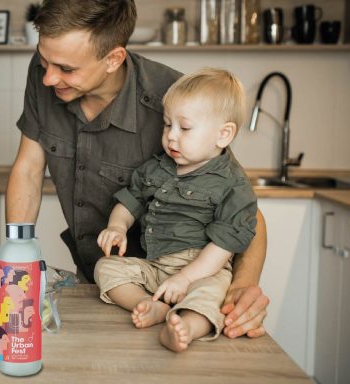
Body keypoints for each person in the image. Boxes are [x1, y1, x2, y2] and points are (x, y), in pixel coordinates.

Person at [5, 0, 270, 339]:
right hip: (106, 286)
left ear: (113, 59)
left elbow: (244, 211)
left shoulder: (173, 103)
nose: (48, 77)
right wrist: (15, 257)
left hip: (177, 290)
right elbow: (28, 168)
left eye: (66, 69)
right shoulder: (49, 68)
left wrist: (242, 287)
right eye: (43, 60)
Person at [95, 68, 256, 352]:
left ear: (223, 134)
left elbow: (222, 247)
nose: (171, 136)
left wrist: (186, 278)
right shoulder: (158, 167)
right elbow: (129, 201)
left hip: (204, 268)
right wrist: (117, 227)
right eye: (168, 125)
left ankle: (187, 328)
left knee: (209, 296)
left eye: (185, 128)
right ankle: (149, 306)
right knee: (106, 268)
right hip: (156, 265)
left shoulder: (234, 185)